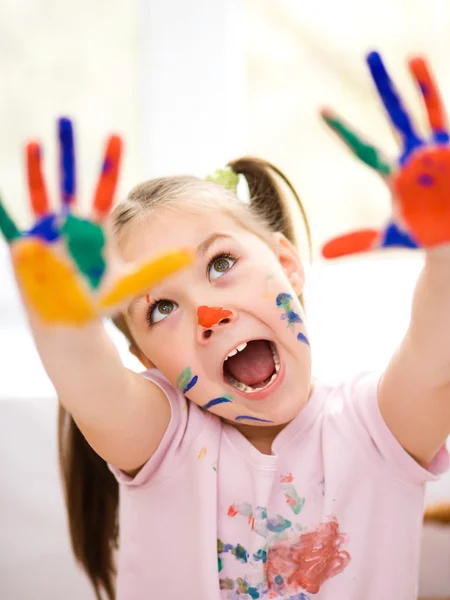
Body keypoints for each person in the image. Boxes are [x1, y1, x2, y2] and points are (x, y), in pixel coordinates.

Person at [2, 51, 450, 600]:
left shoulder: (377, 429)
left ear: (287, 263)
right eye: (160, 309)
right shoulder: (164, 441)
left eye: (220, 264)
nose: (210, 317)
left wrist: (445, 250)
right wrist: (64, 321)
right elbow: (92, 388)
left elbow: (435, 361)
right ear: (147, 361)